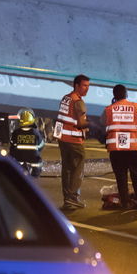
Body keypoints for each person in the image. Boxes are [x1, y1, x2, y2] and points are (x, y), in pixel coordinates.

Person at [102, 85, 137, 210]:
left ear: (114, 95)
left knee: (121, 177)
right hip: (132, 148)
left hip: (116, 149)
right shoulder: (136, 107)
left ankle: (124, 202)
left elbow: (103, 126)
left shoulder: (108, 109)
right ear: (126, 94)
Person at [55, 75, 91, 211]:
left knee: (67, 168)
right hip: (74, 140)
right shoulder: (78, 102)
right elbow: (81, 123)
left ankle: (67, 199)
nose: (87, 89)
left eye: (88, 86)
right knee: (78, 168)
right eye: (84, 86)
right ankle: (73, 197)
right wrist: (92, 124)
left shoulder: (66, 98)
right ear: (76, 85)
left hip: (62, 138)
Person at [8, 109, 45, 174]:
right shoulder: (36, 132)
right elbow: (41, 145)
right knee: (38, 164)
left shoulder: (16, 132)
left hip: (19, 160)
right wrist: (36, 150)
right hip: (34, 160)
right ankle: (35, 175)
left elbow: (12, 146)